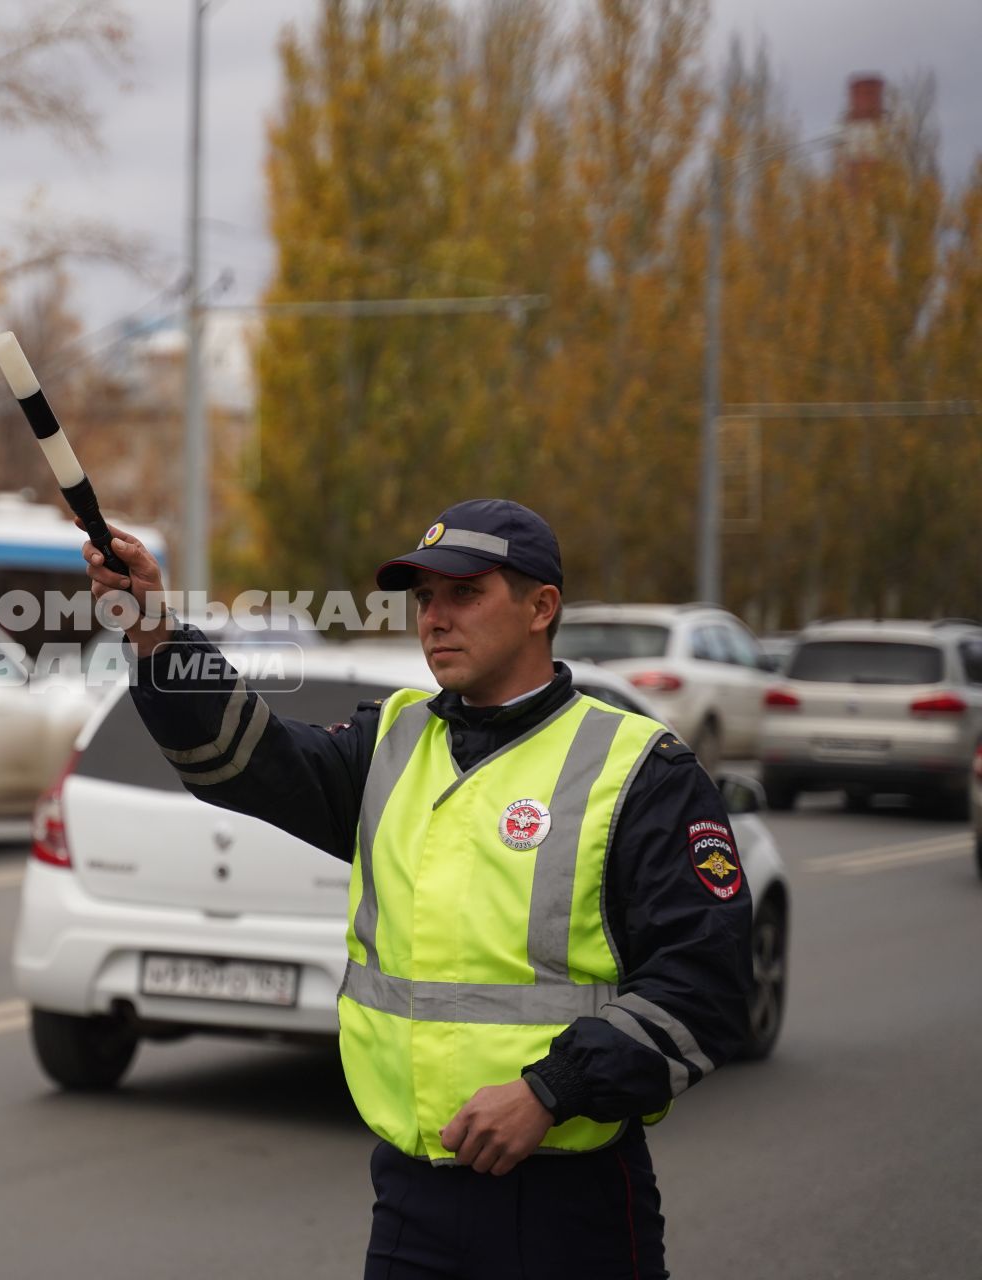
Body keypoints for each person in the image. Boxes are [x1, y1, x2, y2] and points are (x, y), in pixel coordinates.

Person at [77, 498, 752, 1280]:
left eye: (465, 593)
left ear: (542, 608)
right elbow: (241, 758)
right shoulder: (391, 744)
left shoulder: (640, 769)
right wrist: (155, 630)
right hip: (411, 1200)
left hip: (570, 1206)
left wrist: (550, 1092)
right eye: (424, 598)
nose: (434, 618)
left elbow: (705, 984)